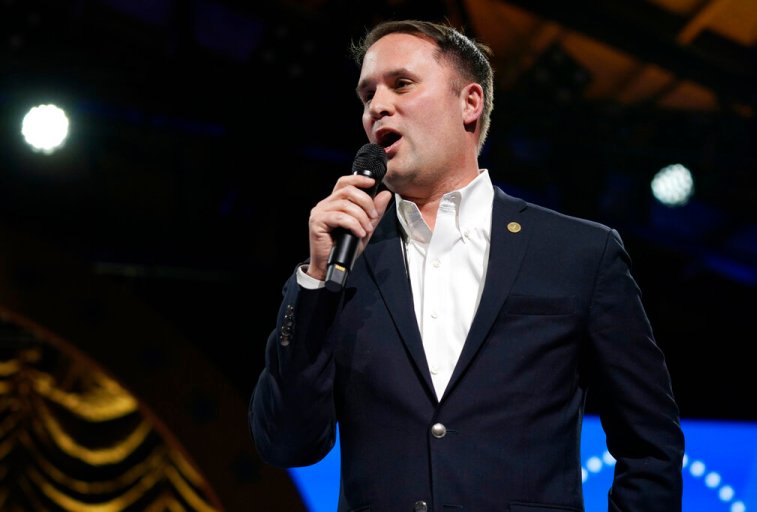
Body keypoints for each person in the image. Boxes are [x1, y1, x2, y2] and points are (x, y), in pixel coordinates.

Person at [249, 18, 685, 512]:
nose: (377, 107)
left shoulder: (579, 252)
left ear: (470, 103)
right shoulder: (345, 262)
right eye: (367, 95)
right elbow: (285, 444)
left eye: (401, 84)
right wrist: (315, 282)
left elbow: (650, 445)